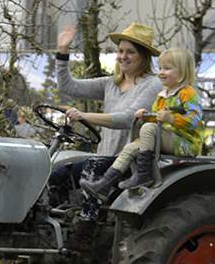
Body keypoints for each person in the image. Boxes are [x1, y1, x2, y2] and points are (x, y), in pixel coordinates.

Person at [52, 22, 162, 253]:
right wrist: (63, 51)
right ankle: (57, 225)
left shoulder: (152, 85)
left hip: (128, 160)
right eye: (120, 51)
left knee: (92, 165)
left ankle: (86, 230)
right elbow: (68, 86)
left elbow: (127, 118)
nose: (123, 56)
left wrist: (84, 116)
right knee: (57, 173)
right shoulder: (111, 84)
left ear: (143, 56)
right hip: (105, 156)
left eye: (130, 52)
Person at [83, 48, 203, 198]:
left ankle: (144, 174)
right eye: (160, 68)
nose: (161, 72)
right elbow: (156, 119)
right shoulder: (162, 96)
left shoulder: (188, 93)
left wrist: (171, 119)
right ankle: (104, 184)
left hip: (185, 142)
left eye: (167, 68)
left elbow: (195, 120)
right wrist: (145, 116)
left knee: (148, 128)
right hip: (164, 137)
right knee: (130, 148)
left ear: (182, 71)